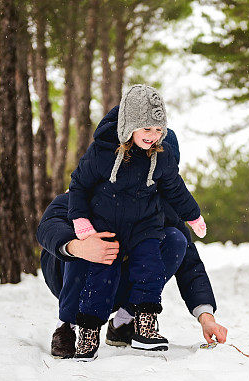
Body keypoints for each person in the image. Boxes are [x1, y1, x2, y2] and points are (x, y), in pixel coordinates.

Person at [65, 84, 207, 358]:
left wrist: (193, 215)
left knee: (150, 271)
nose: (153, 136)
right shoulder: (102, 153)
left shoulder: (160, 157)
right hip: (108, 228)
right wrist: (81, 221)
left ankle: (145, 325)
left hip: (145, 228)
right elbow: (79, 185)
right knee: (100, 281)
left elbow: (175, 189)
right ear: (129, 125)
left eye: (158, 130)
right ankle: (89, 332)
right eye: (146, 129)